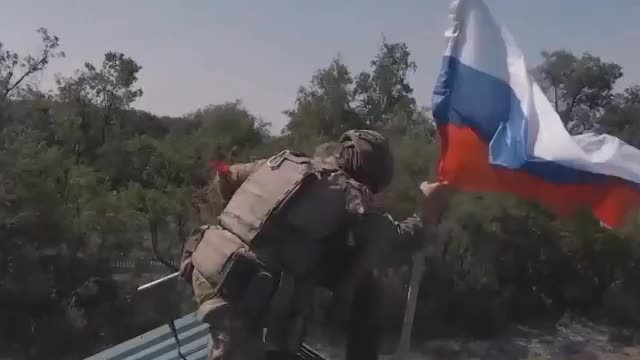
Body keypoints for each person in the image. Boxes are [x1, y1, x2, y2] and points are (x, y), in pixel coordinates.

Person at [179, 129, 451, 360]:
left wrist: (245, 229)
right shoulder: (348, 192)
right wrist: (427, 213)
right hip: (241, 291)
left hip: (206, 264)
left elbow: (226, 175)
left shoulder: (286, 162)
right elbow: (396, 242)